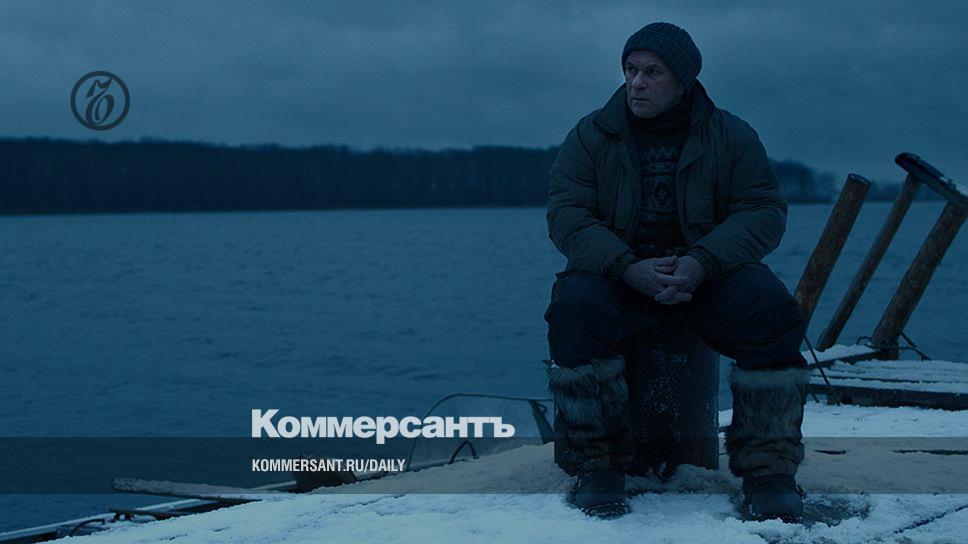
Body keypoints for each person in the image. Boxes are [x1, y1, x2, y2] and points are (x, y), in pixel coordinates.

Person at [543, 22, 811, 522]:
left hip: (707, 274)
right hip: (619, 275)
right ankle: (597, 466)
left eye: (653, 72)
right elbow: (567, 215)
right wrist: (627, 266)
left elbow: (762, 211)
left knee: (771, 310)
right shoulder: (591, 135)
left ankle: (769, 471)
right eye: (630, 70)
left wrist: (702, 261)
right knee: (574, 310)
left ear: (683, 81)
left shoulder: (731, 135)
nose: (637, 83)